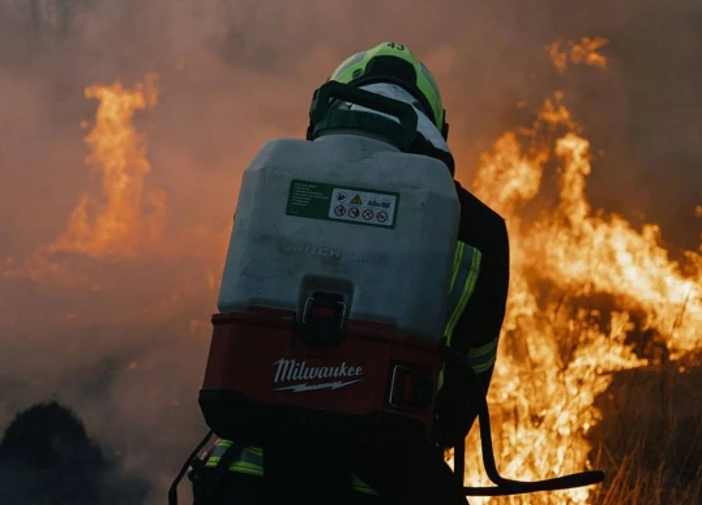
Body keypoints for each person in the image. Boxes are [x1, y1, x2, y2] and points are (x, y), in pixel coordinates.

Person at [186, 41, 511, 505]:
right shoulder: (477, 229)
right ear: (436, 127)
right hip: (384, 486)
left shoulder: (277, 183)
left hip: (240, 480)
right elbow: (461, 402)